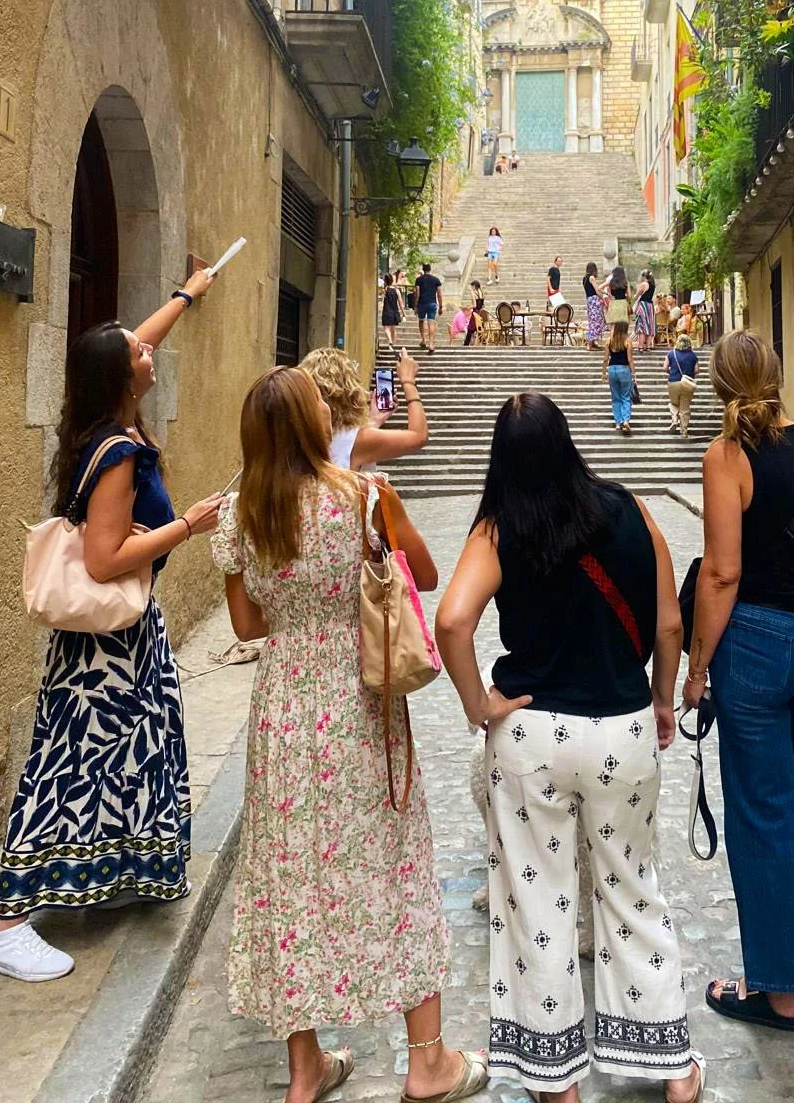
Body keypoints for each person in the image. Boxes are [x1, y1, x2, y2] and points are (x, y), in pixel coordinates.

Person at [211, 367, 487, 1103]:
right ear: (312, 424)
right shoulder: (363, 497)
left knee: (286, 876)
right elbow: (423, 575)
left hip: (282, 711)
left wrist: (299, 613)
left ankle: (306, 1072)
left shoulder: (241, 513)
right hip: (358, 702)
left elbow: (245, 625)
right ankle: (426, 1062)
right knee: (392, 861)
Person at [435, 392, 704, 1103]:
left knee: (538, 904)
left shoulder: (500, 528)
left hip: (532, 737)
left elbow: (453, 619)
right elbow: (671, 623)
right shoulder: (629, 509)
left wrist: (478, 705)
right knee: (634, 891)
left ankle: (557, 1083)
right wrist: (662, 696)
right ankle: (674, 1069)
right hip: (622, 727)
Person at [0, 276, 225, 982]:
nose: (150, 351)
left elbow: (137, 339)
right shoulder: (116, 454)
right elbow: (105, 559)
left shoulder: (109, 423)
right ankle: (3, 924)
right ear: (122, 377)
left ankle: (107, 874)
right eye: (138, 352)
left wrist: (186, 294)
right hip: (104, 650)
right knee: (69, 768)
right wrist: (185, 526)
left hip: (124, 640)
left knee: (123, 758)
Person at [683, 329, 794, 1033]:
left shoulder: (726, 456)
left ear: (719, 384)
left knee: (763, 807)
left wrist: (695, 669)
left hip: (759, 637)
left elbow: (722, 572)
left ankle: (780, 991)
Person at [301, 347, 427, 472]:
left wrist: (374, 420)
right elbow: (418, 437)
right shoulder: (356, 441)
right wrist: (408, 381)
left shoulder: (301, 434)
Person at [602, 320, 636, 434]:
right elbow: (630, 359)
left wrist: (603, 373)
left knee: (615, 397)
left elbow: (605, 359)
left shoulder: (609, 341)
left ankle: (618, 422)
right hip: (624, 368)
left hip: (612, 369)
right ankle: (626, 420)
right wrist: (633, 373)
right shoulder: (627, 342)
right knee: (625, 396)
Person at [666, 332, 698, 438]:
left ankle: (674, 419)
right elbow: (697, 370)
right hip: (687, 384)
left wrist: (672, 372)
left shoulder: (671, 353)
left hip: (674, 382)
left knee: (673, 403)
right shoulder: (693, 355)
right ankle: (684, 432)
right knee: (685, 407)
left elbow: (664, 367)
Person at [414, 262, 444, 354]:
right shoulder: (436, 280)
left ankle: (423, 340)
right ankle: (431, 344)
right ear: (430, 269)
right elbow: (439, 294)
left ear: (423, 269)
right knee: (431, 323)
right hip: (432, 303)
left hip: (422, 303)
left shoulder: (419, 280)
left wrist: (415, 306)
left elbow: (417, 293)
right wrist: (441, 306)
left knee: (421, 321)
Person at [582, 261, 606, 351]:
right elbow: (597, 290)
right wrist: (603, 297)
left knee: (593, 320)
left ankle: (593, 342)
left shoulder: (584, 278)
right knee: (595, 321)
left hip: (589, 300)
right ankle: (590, 344)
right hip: (594, 300)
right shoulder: (592, 277)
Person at [634, 270, 657, 352]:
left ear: (643, 276)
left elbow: (636, 296)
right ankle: (648, 346)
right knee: (649, 325)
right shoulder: (653, 285)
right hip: (650, 306)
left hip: (643, 305)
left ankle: (640, 346)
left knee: (641, 325)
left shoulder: (643, 284)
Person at [382, 271, 405, 349]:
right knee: (393, 328)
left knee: (386, 327)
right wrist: (403, 313)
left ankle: (390, 341)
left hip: (386, 310)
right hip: (394, 311)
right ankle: (393, 343)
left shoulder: (385, 289)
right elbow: (401, 303)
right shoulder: (396, 291)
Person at [465, 279, 487, 347]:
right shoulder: (481, 292)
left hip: (475, 312)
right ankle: (482, 343)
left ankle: (466, 344)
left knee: (470, 328)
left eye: (472, 286)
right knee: (479, 328)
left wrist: (467, 307)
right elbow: (482, 304)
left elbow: (474, 305)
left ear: (474, 286)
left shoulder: (473, 293)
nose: (471, 288)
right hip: (481, 312)